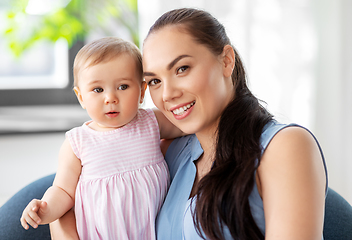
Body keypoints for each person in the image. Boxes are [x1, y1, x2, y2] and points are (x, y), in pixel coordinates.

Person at [0, 8, 327, 240]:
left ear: (226, 60)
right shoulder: (171, 150)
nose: (167, 93)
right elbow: (76, 193)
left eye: (182, 69)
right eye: (154, 80)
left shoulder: (284, 146)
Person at [19, 37, 183, 240]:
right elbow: (63, 190)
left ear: (142, 91)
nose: (110, 98)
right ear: (81, 98)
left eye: (123, 86)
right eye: (98, 90)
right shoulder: (77, 142)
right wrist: (45, 208)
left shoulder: (151, 122)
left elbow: (188, 125)